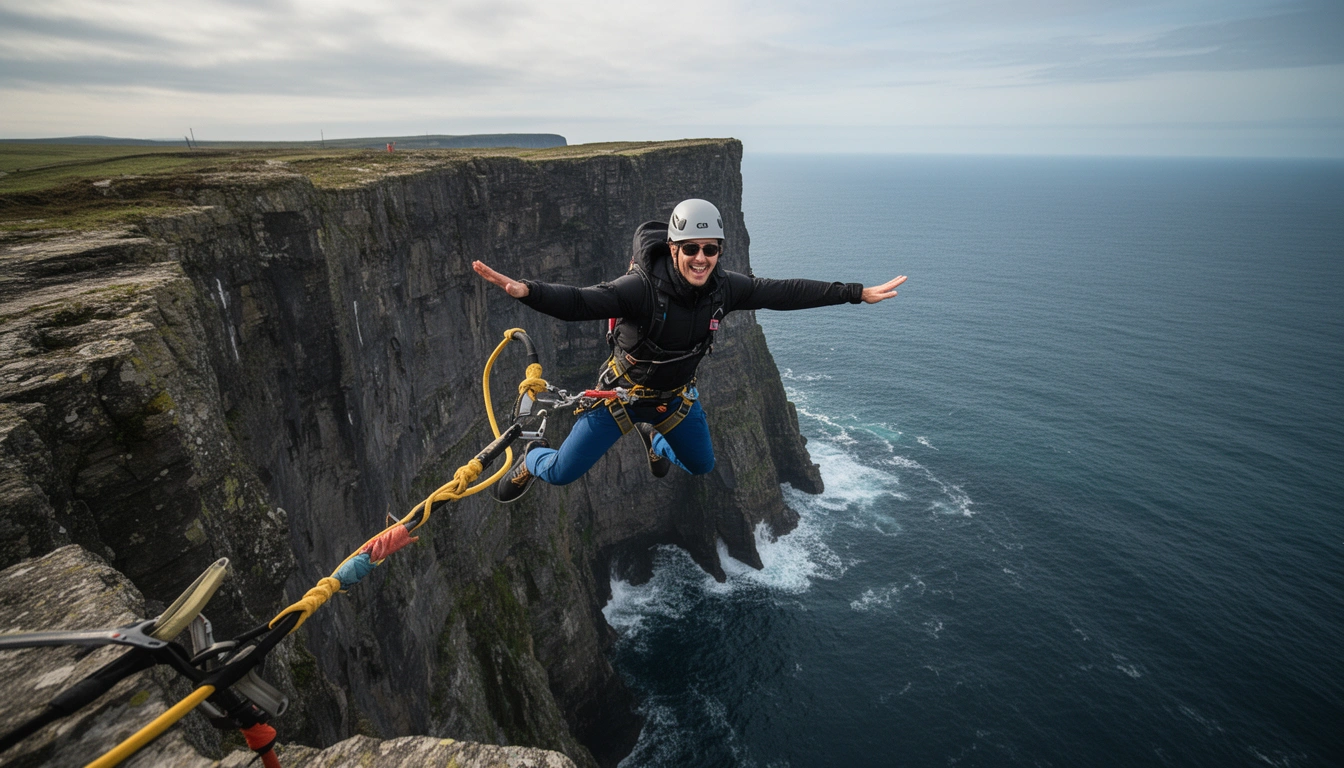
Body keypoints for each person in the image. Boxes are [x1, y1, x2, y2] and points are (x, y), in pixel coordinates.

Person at [472, 198, 906, 502]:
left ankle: (653, 441)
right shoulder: (639, 288)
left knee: (700, 465)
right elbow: (581, 302)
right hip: (618, 399)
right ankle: (533, 458)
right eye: (691, 249)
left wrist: (855, 293)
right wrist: (527, 291)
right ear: (674, 248)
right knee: (563, 472)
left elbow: (784, 292)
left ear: (719, 251)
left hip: (674, 402)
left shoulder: (725, 288)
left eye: (711, 250)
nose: (701, 259)